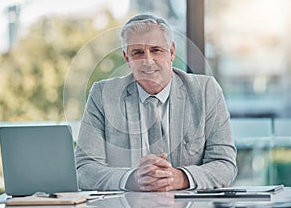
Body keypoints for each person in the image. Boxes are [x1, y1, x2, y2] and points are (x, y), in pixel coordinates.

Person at [75, 14, 237, 192]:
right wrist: (132, 178)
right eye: (137, 53)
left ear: (172, 52)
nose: (147, 61)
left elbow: (225, 164)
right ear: (127, 58)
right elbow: (84, 169)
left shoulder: (206, 91)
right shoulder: (103, 95)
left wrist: (178, 178)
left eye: (156, 50)